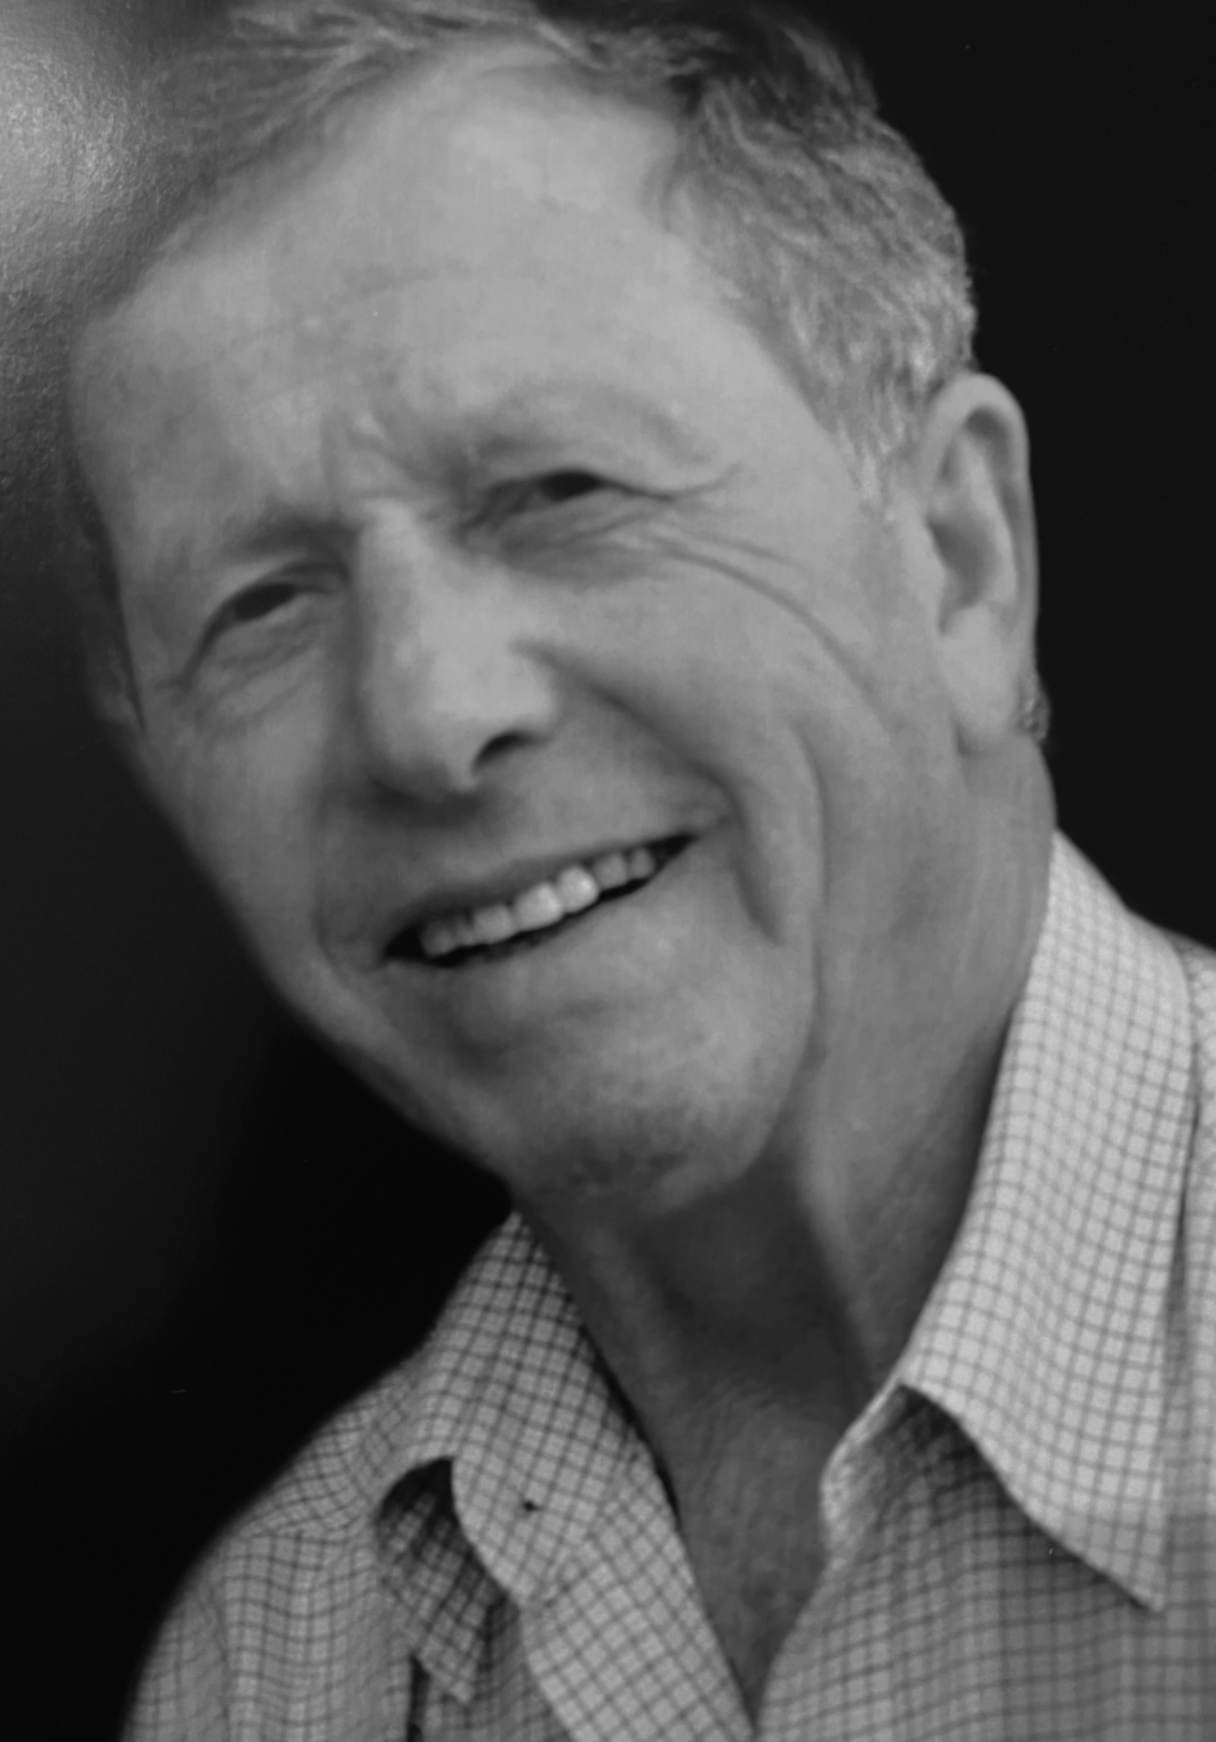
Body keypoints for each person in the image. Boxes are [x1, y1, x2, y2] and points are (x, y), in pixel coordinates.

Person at [61, 1, 1214, 1736]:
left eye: (558, 489)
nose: (427, 715)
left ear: (963, 559)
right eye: (261, 607)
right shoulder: (272, 1663)